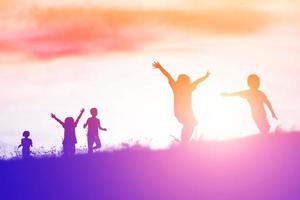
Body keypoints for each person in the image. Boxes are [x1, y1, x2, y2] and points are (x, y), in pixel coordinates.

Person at [153, 61, 210, 143]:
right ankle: (184, 142)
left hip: (184, 112)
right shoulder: (182, 87)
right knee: (189, 124)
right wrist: (205, 76)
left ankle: (184, 141)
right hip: (182, 111)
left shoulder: (181, 87)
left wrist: (205, 76)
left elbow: (197, 81)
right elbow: (168, 76)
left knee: (190, 125)